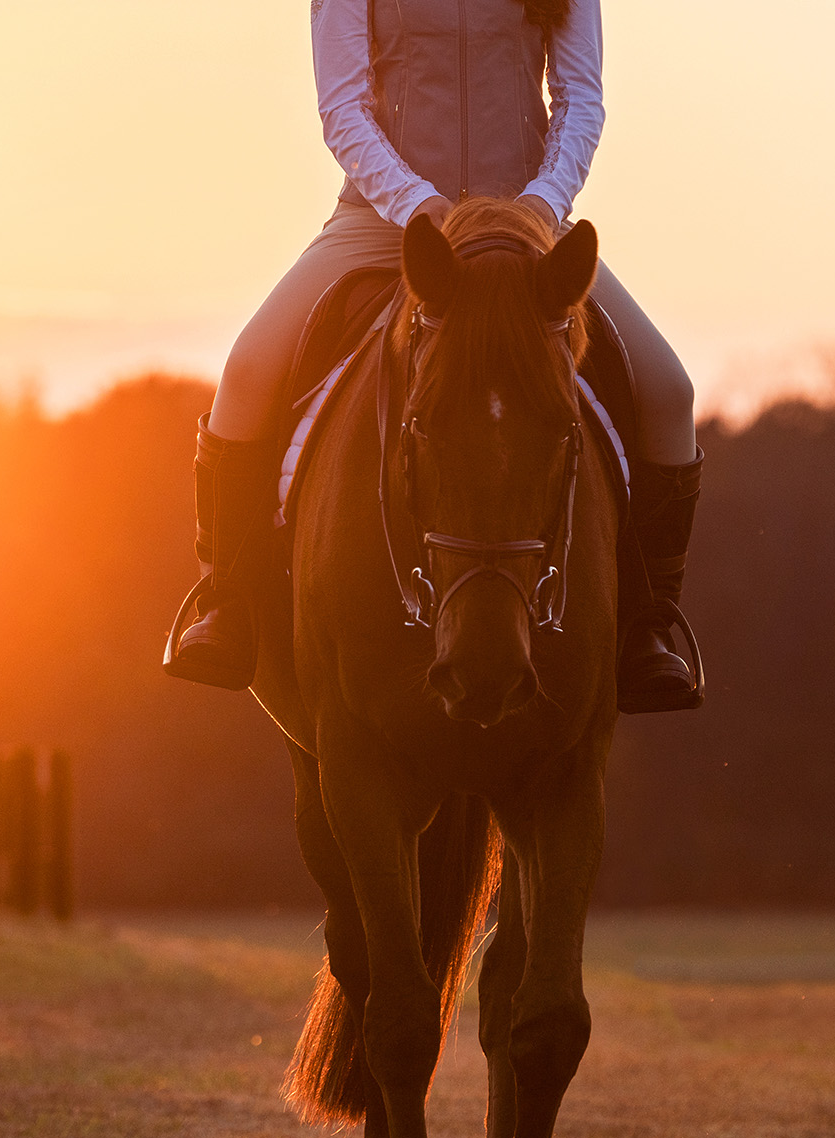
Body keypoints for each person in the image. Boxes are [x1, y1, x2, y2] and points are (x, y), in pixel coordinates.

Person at [165, 0, 704, 713]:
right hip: (386, 223)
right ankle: (226, 602)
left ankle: (648, 623)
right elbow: (343, 109)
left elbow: (581, 101)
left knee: (669, 390)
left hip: (526, 229)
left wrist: (541, 206)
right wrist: (421, 206)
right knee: (247, 371)